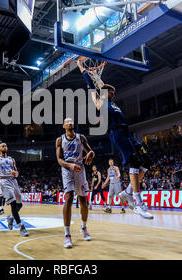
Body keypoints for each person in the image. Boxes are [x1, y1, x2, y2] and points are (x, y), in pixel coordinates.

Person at [78, 59, 153, 219]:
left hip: (127, 134)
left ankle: (127, 193)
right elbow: (93, 88)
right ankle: (138, 204)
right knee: (133, 163)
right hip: (117, 134)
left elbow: (101, 84)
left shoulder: (113, 104)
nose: (114, 94)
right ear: (106, 94)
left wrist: (98, 78)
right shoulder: (100, 102)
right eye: (111, 92)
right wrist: (83, 71)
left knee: (146, 162)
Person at [56, 117, 95, 248]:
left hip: (80, 169)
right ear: (63, 126)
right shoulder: (60, 140)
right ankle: (67, 235)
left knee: (83, 200)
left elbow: (90, 151)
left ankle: (84, 227)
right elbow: (60, 160)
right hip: (67, 169)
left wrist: (91, 154)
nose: (70, 123)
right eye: (67, 122)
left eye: (71, 121)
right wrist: (70, 165)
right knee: (69, 197)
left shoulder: (81, 137)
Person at [0, 142, 29, 237]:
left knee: (20, 205)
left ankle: (11, 217)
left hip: (13, 181)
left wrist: (16, 173)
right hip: (4, 182)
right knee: (13, 204)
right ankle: (21, 227)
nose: (4, 147)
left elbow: (17, 171)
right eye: (2, 146)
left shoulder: (11, 159)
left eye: (6, 145)